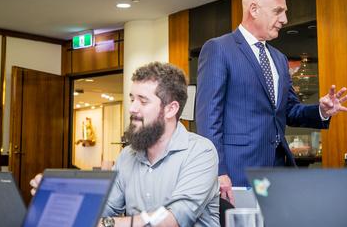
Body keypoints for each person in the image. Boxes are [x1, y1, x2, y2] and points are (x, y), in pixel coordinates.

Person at [195, 0, 347, 202]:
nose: (285, 19)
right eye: (278, 11)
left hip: (278, 171)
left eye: (285, 12)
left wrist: (321, 111)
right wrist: (218, 171)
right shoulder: (219, 49)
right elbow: (208, 118)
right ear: (254, 10)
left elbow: (289, 110)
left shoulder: (279, 58)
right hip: (237, 172)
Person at [32, 62, 219, 227]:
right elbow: (103, 209)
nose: (132, 108)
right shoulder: (127, 156)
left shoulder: (200, 152)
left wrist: (107, 224)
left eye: (143, 101)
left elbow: (172, 219)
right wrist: (60, 198)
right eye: (131, 99)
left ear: (171, 109)